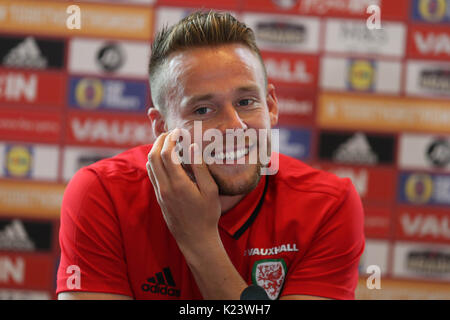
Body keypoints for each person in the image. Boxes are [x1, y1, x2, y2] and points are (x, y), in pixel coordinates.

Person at [57, 11, 365, 300]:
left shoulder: (328, 205)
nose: (234, 125)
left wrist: (199, 240)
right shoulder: (102, 194)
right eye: (203, 110)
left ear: (271, 105)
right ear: (161, 126)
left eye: (246, 101)